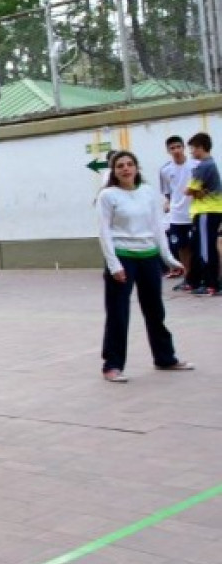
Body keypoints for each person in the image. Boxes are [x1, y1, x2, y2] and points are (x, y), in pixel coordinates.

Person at [96, 151, 194, 382]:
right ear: (114, 171)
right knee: (118, 313)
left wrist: (169, 259)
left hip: (149, 257)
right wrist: (114, 265)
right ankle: (112, 365)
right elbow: (104, 233)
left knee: (155, 310)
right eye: (120, 166)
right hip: (122, 258)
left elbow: (158, 227)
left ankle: (165, 358)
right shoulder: (108, 196)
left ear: (137, 168)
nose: (126, 169)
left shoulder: (148, 193)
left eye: (130, 164)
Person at [185, 132, 222, 296]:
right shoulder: (209, 165)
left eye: (193, 149)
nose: (192, 152)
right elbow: (195, 191)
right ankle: (199, 280)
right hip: (208, 210)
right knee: (201, 246)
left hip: (207, 210)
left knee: (206, 249)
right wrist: (198, 191)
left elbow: (189, 190)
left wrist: (195, 191)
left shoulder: (204, 166)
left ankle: (211, 283)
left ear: (201, 148)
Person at [160, 136, 198, 290]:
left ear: (183, 148)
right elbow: (167, 192)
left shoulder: (196, 165)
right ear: (168, 151)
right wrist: (169, 203)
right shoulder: (165, 169)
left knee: (197, 246)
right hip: (177, 214)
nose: (176, 150)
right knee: (181, 247)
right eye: (172, 148)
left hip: (195, 212)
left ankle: (201, 277)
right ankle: (188, 277)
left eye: (178, 147)